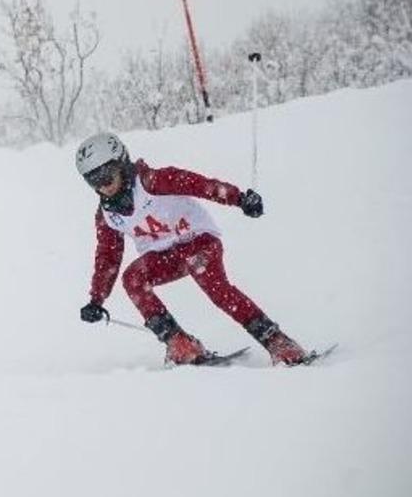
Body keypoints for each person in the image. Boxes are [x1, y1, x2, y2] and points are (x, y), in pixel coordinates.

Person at [75, 132, 309, 365]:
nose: (103, 186)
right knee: (133, 278)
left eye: (106, 176)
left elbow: (202, 185)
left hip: (198, 240)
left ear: (122, 163)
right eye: (93, 181)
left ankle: (277, 341)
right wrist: (97, 299)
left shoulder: (153, 181)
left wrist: (239, 199)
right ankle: (179, 343)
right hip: (164, 256)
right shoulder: (107, 216)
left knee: (215, 288)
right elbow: (108, 258)